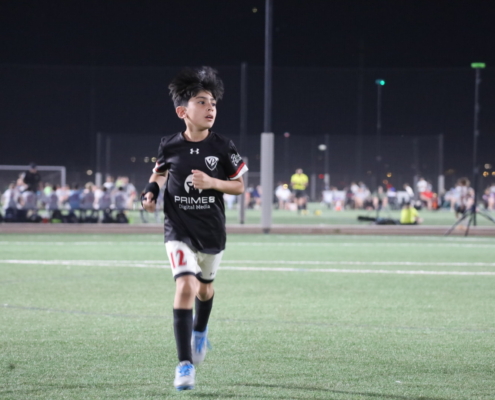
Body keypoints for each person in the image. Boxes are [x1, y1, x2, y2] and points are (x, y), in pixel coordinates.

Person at [141, 66, 247, 391]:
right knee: (186, 285)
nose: (210, 108)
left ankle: (200, 330)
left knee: (204, 290)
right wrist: (151, 191)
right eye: (201, 102)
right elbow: (160, 172)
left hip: (211, 231)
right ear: (182, 112)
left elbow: (239, 186)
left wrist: (213, 182)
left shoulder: (223, 146)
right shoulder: (169, 145)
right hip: (177, 228)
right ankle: (184, 365)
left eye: (213, 103)